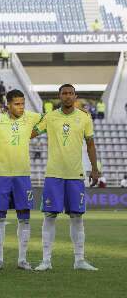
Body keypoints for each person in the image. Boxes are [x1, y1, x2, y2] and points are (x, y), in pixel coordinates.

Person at [33, 84, 100, 272]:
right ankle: (46, 260)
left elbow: (91, 145)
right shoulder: (50, 117)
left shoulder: (84, 117)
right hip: (54, 174)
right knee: (49, 216)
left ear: (75, 96)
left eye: (71, 93)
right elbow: (32, 133)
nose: (68, 96)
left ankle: (79, 260)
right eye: (64, 93)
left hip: (75, 174)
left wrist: (95, 169)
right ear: (59, 96)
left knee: (77, 217)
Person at [0, 90, 42, 270]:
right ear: (8, 104)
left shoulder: (30, 117)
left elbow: (50, 120)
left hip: (22, 175)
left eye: (22, 103)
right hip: (0, 174)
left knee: (24, 218)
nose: (21, 107)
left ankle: (22, 260)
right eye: (17, 104)